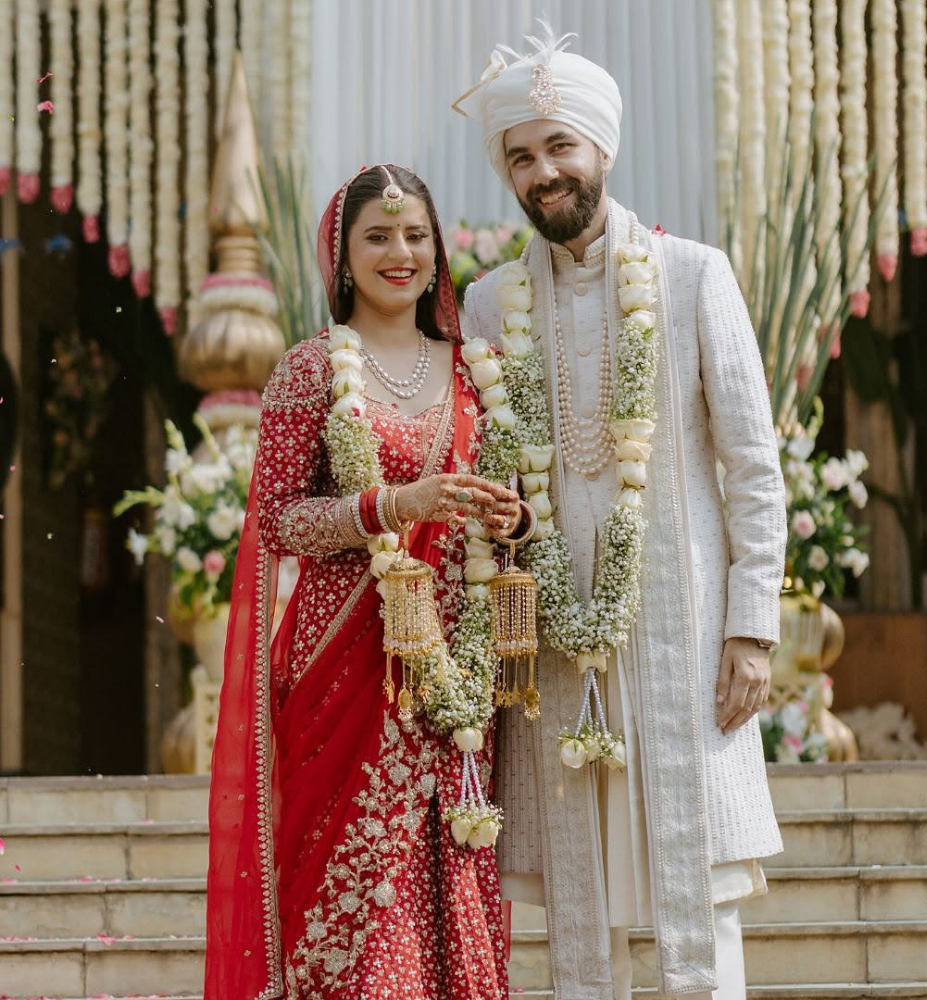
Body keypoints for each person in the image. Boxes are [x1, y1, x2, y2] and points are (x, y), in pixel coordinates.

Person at [455, 27, 787, 1000]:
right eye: (520, 155)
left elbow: (753, 468)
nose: (543, 171)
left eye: (559, 146)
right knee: (577, 893)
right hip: (553, 643)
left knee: (702, 892)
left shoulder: (692, 275)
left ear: (601, 148)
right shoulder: (488, 305)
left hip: (681, 636)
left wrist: (751, 627)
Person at [204, 164, 523, 1000]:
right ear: (343, 257)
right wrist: (394, 503)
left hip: (456, 670)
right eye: (378, 236)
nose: (400, 252)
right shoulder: (309, 371)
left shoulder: (477, 370)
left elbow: (519, 503)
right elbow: (278, 521)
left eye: (415, 235)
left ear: (437, 251)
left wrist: (512, 520)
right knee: (354, 906)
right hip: (345, 667)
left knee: (451, 891)